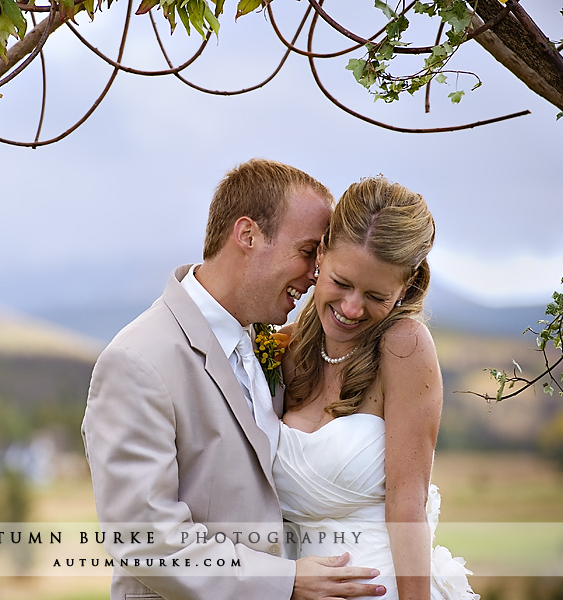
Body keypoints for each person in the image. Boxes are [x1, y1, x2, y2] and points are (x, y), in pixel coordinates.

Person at [81, 159, 387, 600]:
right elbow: (146, 540)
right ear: (248, 235)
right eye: (307, 252)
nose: (316, 274)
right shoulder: (138, 361)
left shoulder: (268, 344)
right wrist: (285, 581)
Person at [274, 176, 479, 600]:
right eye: (342, 282)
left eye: (375, 295)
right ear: (321, 252)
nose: (351, 308)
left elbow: (407, 506)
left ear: (405, 287)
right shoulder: (283, 350)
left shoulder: (403, 346)